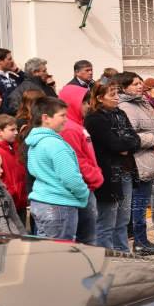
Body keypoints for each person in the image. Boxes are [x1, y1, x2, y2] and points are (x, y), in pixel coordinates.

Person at [115, 72, 154, 256]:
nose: (140, 86)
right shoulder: (126, 107)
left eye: (140, 83)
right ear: (124, 88)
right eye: (135, 84)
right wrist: (153, 138)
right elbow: (128, 136)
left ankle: (142, 240)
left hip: (147, 160)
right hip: (138, 163)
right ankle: (139, 242)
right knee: (138, 204)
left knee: (142, 201)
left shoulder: (141, 102)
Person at [84, 81, 139, 251]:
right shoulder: (95, 118)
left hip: (126, 170)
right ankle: (106, 260)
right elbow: (114, 144)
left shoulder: (120, 113)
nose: (116, 98)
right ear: (100, 98)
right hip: (108, 175)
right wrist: (123, 145)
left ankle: (123, 255)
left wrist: (125, 145)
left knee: (123, 220)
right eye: (112, 95)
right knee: (107, 222)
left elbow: (135, 139)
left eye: (117, 93)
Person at [25, 97, 89, 241]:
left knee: (45, 253)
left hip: (42, 203)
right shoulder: (55, 145)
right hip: (59, 206)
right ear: (46, 118)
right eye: (62, 115)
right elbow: (70, 178)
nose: (66, 119)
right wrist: (84, 193)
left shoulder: (36, 142)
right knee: (59, 256)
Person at [59, 84, 104, 245]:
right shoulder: (69, 129)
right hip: (82, 187)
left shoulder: (77, 125)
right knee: (86, 240)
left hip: (86, 186)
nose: (88, 106)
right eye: (84, 103)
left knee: (88, 238)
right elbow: (77, 159)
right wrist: (95, 176)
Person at [0, 114, 26, 217]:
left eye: (16, 129)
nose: (16, 132)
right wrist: (10, 193)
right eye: (12, 130)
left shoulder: (15, 147)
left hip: (19, 202)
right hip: (5, 203)